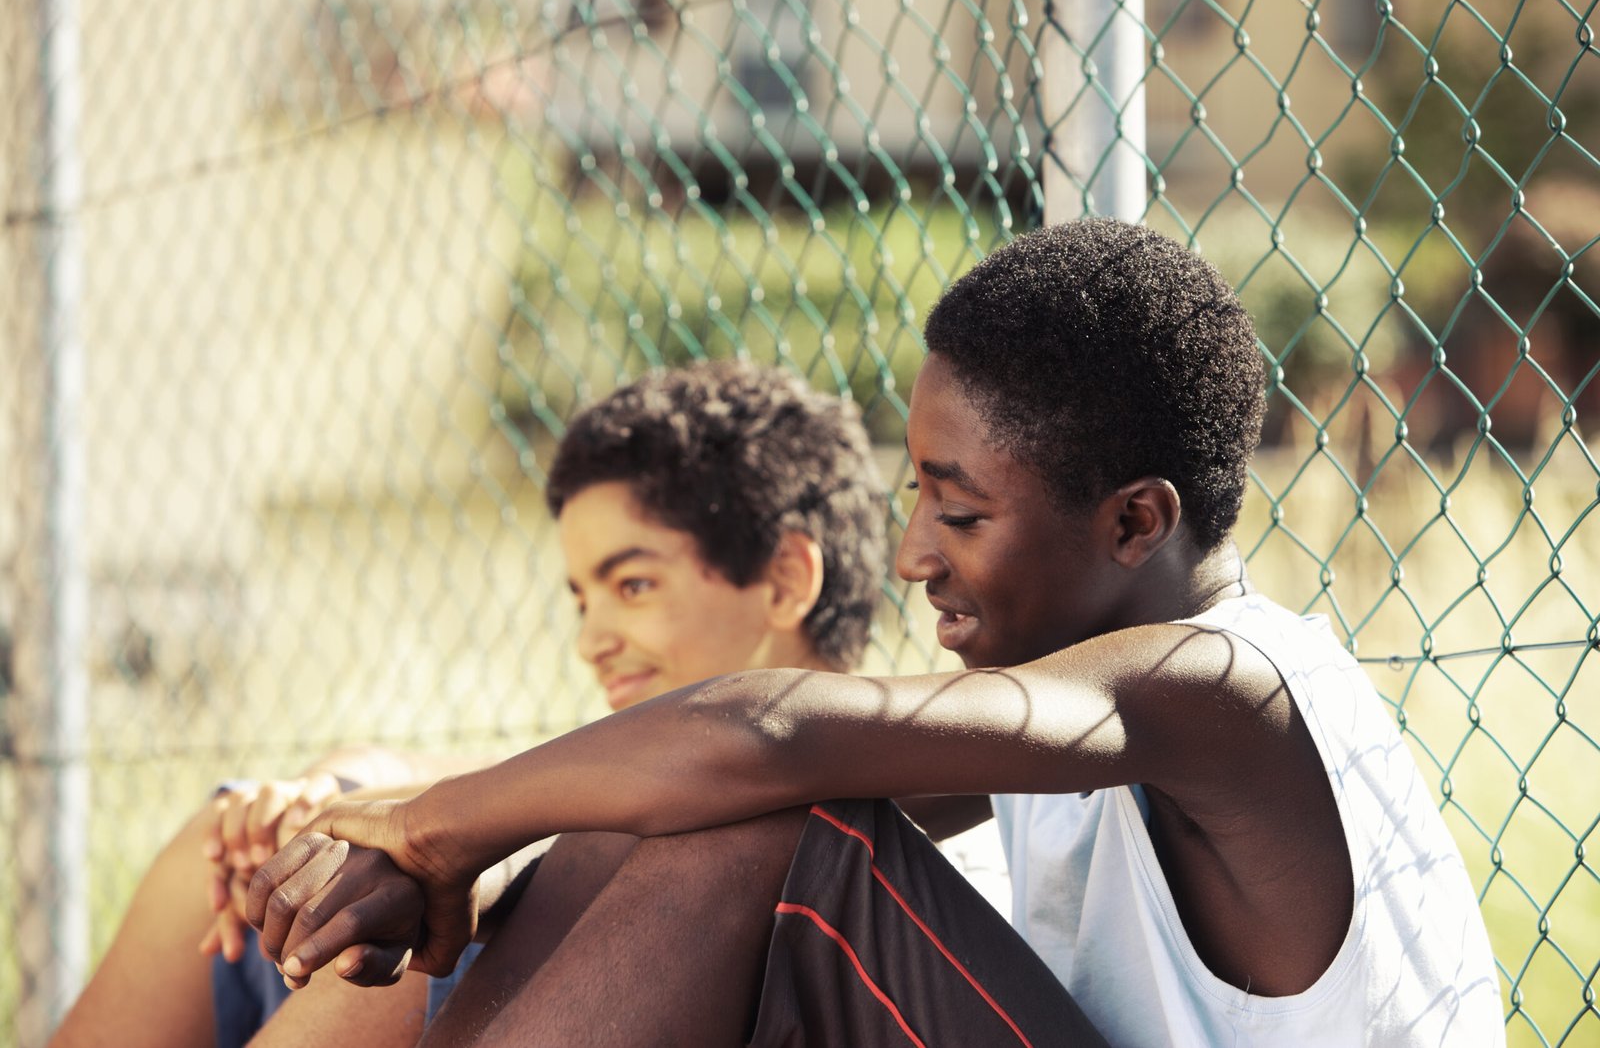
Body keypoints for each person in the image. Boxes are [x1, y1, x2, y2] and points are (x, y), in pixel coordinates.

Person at [251, 218, 1503, 1046]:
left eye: (957, 509)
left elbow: (782, 732)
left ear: (1136, 521)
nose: (912, 553)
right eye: (916, 495)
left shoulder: (1228, 686)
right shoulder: (1068, 702)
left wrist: (436, 823)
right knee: (680, 802)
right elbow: (714, 767)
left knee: (763, 811)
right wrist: (439, 847)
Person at [49, 359, 890, 1047]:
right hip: (343, 947)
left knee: (416, 927)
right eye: (580, 599)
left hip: (506, 963)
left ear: (785, 580)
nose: (591, 637)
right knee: (233, 831)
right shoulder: (608, 768)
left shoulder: (870, 791)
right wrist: (341, 782)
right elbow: (492, 777)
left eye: (633, 584)